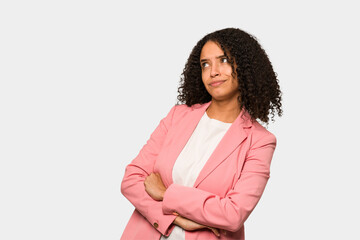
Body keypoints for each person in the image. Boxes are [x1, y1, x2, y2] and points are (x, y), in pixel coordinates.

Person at [120, 27, 283, 240]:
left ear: (245, 67)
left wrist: (165, 193)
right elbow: (131, 179)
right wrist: (178, 219)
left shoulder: (260, 141)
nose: (213, 71)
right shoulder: (177, 117)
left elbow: (232, 214)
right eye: (205, 64)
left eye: (223, 60)